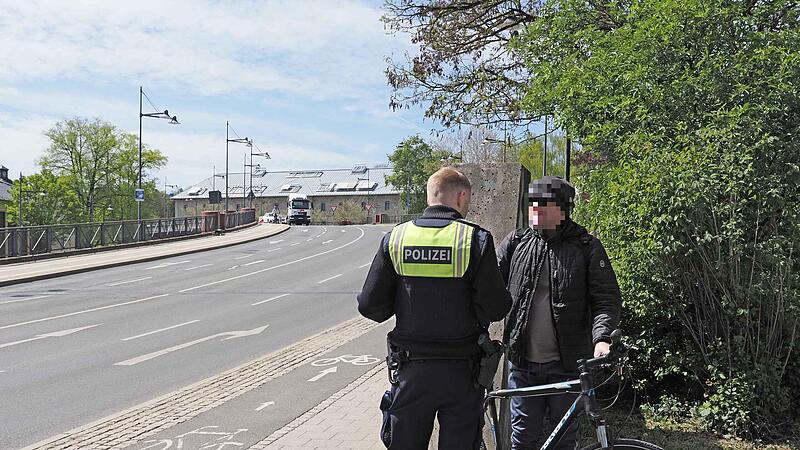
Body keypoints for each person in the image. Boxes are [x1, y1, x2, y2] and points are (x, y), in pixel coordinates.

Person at [358, 166, 512, 449]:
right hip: (463, 374)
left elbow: (370, 307)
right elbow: (496, 309)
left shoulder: (397, 238)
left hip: (410, 370)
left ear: (430, 196)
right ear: (462, 196)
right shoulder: (474, 240)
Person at [497, 176, 622, 450]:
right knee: (523, 439)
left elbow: (606, 299)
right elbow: (487, 288)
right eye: (532, 203)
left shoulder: (587, 247)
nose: (534, 210)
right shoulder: (516, 242)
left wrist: (602, 338)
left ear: (563, 209)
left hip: (566, 366)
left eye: (543, 204)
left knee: (564, 440)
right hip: (522, 363)